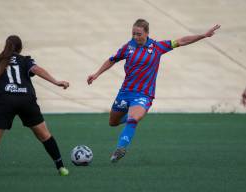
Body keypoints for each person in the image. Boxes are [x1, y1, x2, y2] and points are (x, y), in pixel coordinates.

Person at [87, 19, 220, 162]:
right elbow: (112, 60)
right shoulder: (128, 47)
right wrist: (96, 74)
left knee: (133, 119)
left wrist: (203, 35)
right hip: (125, 92)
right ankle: (133, 115)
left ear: (147, 33)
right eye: (133, 34)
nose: (135, 37)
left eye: (138, 34)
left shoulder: (157, 47)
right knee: (113, 122)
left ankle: (121, 148)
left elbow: (181, 41)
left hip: (144, 94)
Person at [0, 35, 70, 176]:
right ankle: (61, 167)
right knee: (45, 135)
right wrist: (56, 82)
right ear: (20, 48)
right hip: (26, 100)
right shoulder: (25, 60)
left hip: (5, 100)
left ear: (5, 47)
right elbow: (37, 70)